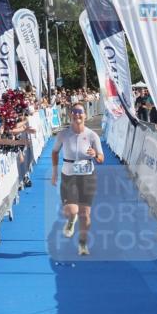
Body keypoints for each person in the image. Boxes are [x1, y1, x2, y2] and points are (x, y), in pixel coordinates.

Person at [52, 103, 104, 256]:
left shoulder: (92, 135)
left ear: (85, 115)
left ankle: (82, 243)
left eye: (80, 111)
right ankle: (71, 219)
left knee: (85, 213)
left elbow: (101, 158)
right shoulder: (63, 134)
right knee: (71, 210)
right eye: (74, 112)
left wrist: (95, 154)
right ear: (70, 115)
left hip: (87, 177)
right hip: (69, 175)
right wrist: (54, 172)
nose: (77, 114)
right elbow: (54, 152)